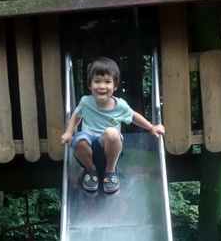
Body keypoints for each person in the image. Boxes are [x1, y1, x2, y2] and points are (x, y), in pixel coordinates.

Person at [61, 57, 165, 195]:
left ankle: (110, 171)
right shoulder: (86, 102)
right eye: (97, 81)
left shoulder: (120, 105)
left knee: (111, 132)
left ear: (115, 86)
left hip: (110, 152)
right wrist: (69, 132)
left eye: (107, 82)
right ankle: (91, 170)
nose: (102, 86)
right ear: (90, 85)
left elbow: (133, 116)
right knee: (79, 139)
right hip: (88, 150)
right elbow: (76, 114)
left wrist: (152, 127)